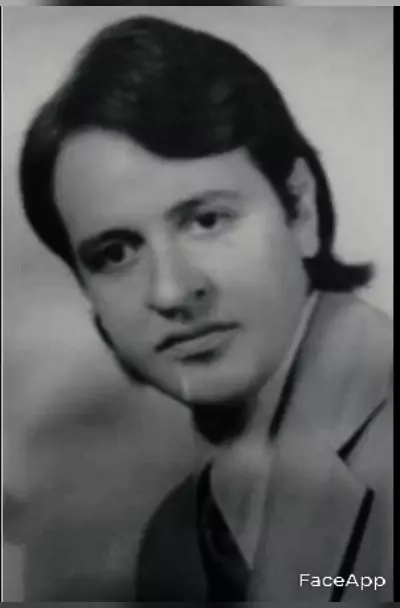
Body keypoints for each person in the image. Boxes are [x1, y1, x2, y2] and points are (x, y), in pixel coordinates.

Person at [19, 15, 392, 603]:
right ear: (90, 298)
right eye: (115, 253)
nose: (171, 291)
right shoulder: (177, 537)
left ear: (300, 209)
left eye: (206, 219)